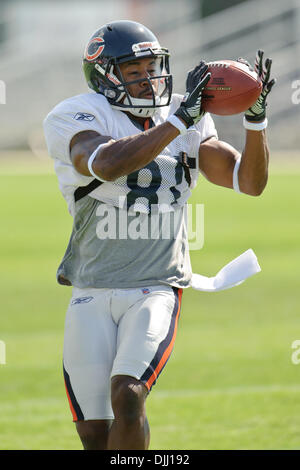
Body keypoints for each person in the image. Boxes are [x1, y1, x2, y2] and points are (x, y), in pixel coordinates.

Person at [43, 20, 275, 450]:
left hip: (156, 285)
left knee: (128, 395)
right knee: (94, 433)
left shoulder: (183, 116)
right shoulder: (75, 115)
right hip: (91, 287)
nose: (149, 79)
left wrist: (255, 120)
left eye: (153, 66)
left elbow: (249, 181)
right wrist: (177, 121)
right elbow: (104, 164)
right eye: (134, 71)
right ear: (105, 77)